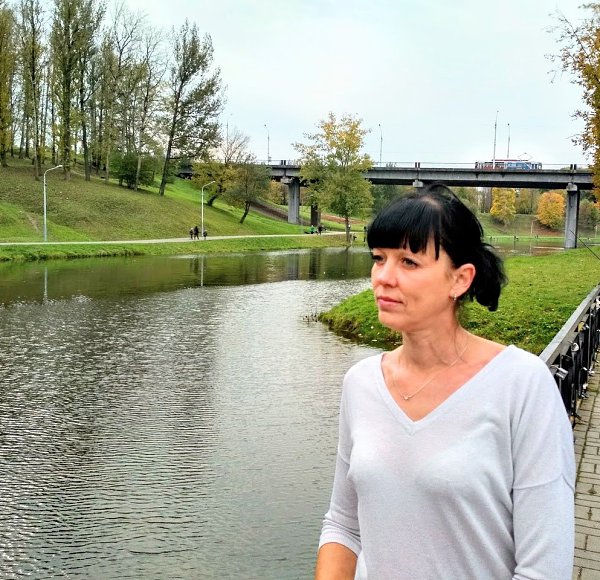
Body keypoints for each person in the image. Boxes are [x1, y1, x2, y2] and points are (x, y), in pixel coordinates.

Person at [315, 183, 575, 580]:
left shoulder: (522, 384)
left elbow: (544, 569)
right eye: (378, 258)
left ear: (460, 279)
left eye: (409, 262)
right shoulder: (360, 383)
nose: (383, 277)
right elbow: (344, 525)